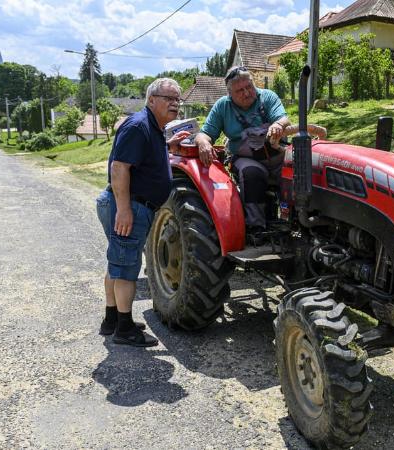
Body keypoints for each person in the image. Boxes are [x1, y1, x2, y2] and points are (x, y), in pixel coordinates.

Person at [96, 78, 189, 347]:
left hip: (132, 204)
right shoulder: (139, 126)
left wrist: (168, 145)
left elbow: (145, 158)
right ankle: (124, 329)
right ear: (151, 100)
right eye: (168, 98)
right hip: (129, 205)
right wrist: (124, 210)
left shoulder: (153, 128)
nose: (174, 103)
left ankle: (112, 320)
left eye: (177, 99)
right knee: (126, 267)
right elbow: (119, 168)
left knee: (118, 260)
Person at [194, 66, 291, 236]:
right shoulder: (222, 107)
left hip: (278, 156)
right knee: (252, 173)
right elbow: (205, 134)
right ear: (230, 94)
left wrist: (277, 125)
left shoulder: (267, 97)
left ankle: (297, 222)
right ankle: (257, 229)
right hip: (247, 159)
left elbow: (283, 118)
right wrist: (203, 143)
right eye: (240, 90)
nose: (246, 93)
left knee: (301, 169)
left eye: (249, 87)